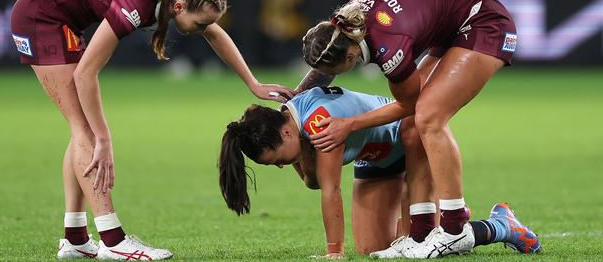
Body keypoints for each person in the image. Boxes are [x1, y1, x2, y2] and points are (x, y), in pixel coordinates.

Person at [10, 0, 293, 260]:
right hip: (40, 20)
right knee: (86, 133)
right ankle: (113, 240)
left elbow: (214, 33)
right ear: (179, 8)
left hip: (53, 16)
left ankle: (75, 238)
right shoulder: (136, 4)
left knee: (82, 132)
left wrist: (252, 83)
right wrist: (104, 138)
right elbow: (85, 74)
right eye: (199, 23)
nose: (202, 29)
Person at [297, 0, 541, 258]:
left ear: (353, 54)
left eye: (334, 70)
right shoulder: (343, 27)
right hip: (453, 26)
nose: (330, 75)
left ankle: (454, 227)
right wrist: (294, 100)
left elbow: (408, 103)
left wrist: (350, 124)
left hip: (483, 22)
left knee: (427, 117)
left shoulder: (387, 45)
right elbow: (328, 62)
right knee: (410, 126)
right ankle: (421, 232)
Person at [218, 86, 540, 259]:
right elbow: (313, 182)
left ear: (286, 134)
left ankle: (500, 225)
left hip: (406, 140)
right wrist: (297, 157)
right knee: (374, 250)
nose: (278, 166)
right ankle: (484, 223)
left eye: (274, 159)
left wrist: (334, 254)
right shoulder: (295, 128)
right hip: (374, 158)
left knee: (422, 245)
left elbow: (330, 190)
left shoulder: (318, 125)